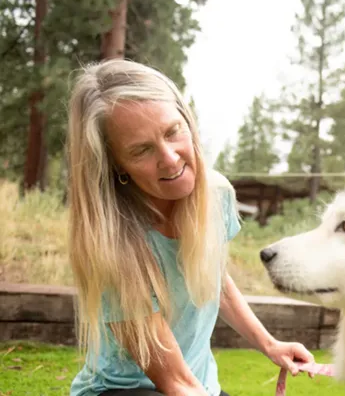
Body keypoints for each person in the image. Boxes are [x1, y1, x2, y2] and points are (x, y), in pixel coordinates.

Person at [65, 59, 314, 396]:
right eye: (141, 150)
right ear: (115, 165)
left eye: (172, 131)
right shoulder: (111, 242)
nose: (169, 158)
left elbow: (215, 281)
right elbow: (175, 383)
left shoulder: (217, 195)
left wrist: (270, 345)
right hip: (126, 390)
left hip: (197, 385)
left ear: (187, 120)